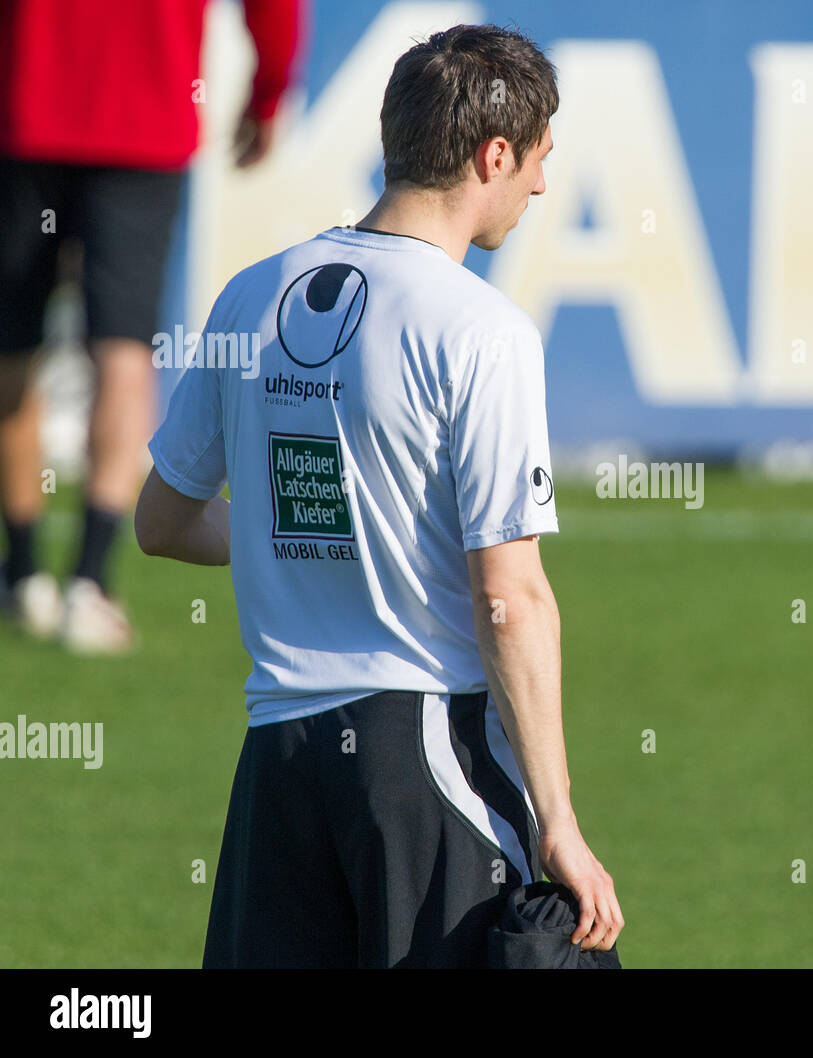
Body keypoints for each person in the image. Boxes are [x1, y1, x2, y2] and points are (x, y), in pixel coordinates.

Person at [134, 24, 623, 967]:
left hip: (276, 760)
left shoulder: (250, 295)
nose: (540, 187)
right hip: (422, 750)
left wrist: (311, 532)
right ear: (493, 154)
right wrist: (558, 817)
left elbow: (162, 522)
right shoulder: (482, 330)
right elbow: (508, 597)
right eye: (537, 160)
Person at [0, 0, 301, 653]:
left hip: (27, 103)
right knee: (125, 347)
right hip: (143, 114)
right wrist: (268, 94)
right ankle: (89, 582)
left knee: (14, 346)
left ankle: (23, 574)